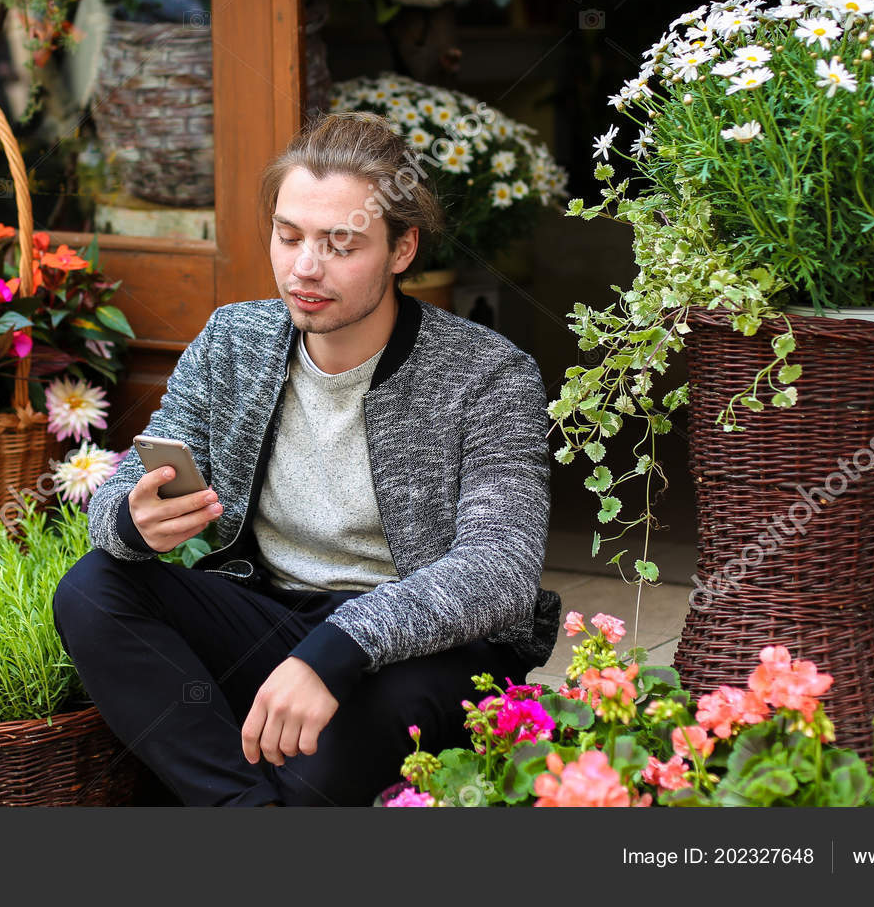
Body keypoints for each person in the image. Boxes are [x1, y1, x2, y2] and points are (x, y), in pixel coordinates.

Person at [52, 111, 561, 807]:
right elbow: (132, 486)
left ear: (401, 248)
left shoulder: (487, 374)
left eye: (339, 244)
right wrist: (132, 519)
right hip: (269, 614)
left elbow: (499, 567)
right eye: (288, 236)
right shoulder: (234, 339)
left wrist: (337, 650)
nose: (304, 268)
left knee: (315, 770)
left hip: (420, 649)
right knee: (92, 588)